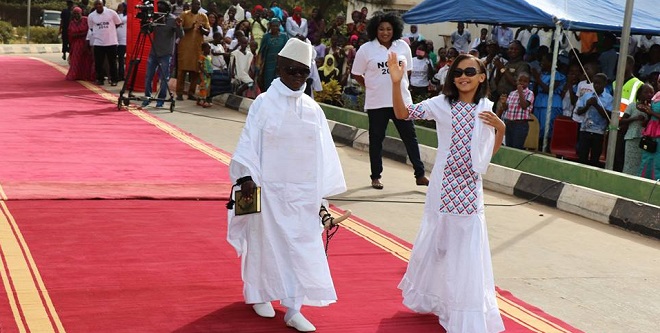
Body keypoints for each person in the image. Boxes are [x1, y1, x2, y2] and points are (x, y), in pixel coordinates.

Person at [227, 38, 346, 333]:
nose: (297, 75)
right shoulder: (264, 103)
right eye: (292, 69)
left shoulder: (313, 109)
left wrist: (321, 199)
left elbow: (323, 157)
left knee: (301, 250)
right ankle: (259, 294)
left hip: (303, 195)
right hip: (267, 191)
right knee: (264, 246)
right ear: (279, 67)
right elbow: (248, 143)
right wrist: (244, 179)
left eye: (303, 71)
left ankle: (294, 308)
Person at [388, 52, 505, 333]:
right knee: (441, 246)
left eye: (469, 71)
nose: (462, 76)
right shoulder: (442, 104)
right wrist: (396, 82)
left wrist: (500, 128)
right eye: (457, 72)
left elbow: (488, 155)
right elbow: (403, 113)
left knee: (467, 248)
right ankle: (440, 299)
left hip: (471, 189)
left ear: (481, 76)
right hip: (443, 187)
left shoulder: (486, 108)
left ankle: (461, 307)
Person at [351, 12, 428, 189]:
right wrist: (370, 85)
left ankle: (420, 174)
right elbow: (356, 73)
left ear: (395, 29)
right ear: (374, 30)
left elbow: (407, 71)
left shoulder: (403, 46)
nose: (385, 32)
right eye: (381, 29)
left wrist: (397, 84)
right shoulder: (366, 49)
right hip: (377, 102)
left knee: (410, 138)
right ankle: (376, 176)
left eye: (388, 29)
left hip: (401, 101)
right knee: (376, 139)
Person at [142, 1, 183, 108]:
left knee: (164, 78)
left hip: (166, 53)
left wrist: (179, 26)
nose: (159, 10)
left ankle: (160, 100)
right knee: (148, 76)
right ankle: (147, 97)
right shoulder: (156, 18)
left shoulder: (173, 19)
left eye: (162, 8)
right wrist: (147, 22)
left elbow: (181, 35)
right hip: (154, 52)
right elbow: (147, 31)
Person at [576, 73, 613, 166]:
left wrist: (596, 105)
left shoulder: (609, 98)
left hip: (599, 132)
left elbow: (608, 115)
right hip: (585, 130)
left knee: (595, 158)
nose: (596, 85)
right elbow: (579, 111)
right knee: (582, 156)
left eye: (599, 83)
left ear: (605, 84)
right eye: (594, 83)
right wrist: (587, 105)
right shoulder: (586, 96)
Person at [176, 0, 209, 101]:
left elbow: (207, 31)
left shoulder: (203, 16)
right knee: (182, 71)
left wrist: (201, 29)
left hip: (197, 48)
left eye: (198, 4)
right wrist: (191, 27)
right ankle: (180, 93)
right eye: (195, 4)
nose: (197, 6)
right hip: (185, 47)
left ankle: (191, 93)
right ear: (191, 5)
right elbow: (179, 29)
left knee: (195, 71)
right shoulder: (184, 15)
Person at [620, 84, 654, 175]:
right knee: (629, 163)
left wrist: (647, 119)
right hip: (632, 138)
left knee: (641, 164)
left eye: (651, 92)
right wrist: (634, 118)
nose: (649, 94)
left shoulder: (652, 109)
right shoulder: (632, 106)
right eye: (646, 92)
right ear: (639, 94)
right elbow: (622, 121)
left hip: (644, 140)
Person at [87, 0, 122, 86]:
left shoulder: (111, 13)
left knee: (112, 62)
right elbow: (91, 28)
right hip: (98, 42)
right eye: (96, 4)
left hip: (111, 42)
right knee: (99, 63)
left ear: (103, 4)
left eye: (99, 4)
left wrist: (110, 31)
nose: (98, 5)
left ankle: (114, 80)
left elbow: (118, 23)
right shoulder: (91, 16)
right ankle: (100, 79)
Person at [497, 72, 534, 149]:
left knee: (516, 147)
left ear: (528, 83)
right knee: (509, 147)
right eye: (520, 80)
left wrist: (520, 92)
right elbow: (506, 108)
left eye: (525, 81)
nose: (522, 83)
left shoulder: (530, 93)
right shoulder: (512, 93)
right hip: (509, 123)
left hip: (520, 125)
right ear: (517, 81)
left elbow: (524, 106)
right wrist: (503, 103)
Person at [65, 7, 95, 81]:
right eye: (74, 13)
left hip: (86, 42)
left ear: (81, 13)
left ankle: (85, 75)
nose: (76, 15)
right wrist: (80, 34)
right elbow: (70, 33)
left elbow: (90, 30)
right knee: (76, 60)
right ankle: (75, 75)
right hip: (76, 44)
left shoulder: (86, 20)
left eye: (77, 13)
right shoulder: (72, 23)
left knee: (86, 60)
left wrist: (79, 34)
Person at [258, 18, 288, 91]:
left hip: (280, 64)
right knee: (268, 83)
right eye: (273, 26)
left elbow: (287, 49)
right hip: (268, 64)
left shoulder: (283, 37)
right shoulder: (266, 37)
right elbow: (261, 51)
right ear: (270, 26)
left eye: (276, 26)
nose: (275, 28)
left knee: (279, 83)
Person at [639, 91, 660, 179]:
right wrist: (644, 109)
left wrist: (650, 112)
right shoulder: (656, 95)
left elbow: (652, 113)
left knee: (658, 160)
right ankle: (642, 183)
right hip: (651, 131)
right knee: (646, 158)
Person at [197, 42, 214, 108]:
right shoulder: (202, 57)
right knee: (204, 86)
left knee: (207, 86)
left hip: (209, 74)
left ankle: (199, 99)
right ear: (203, 49)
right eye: (207, 48)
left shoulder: (209, 57)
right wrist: (205, 72)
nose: (209, 50)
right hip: (204, 74)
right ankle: (204, 100)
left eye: (209, 48)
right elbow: (199, 66)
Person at [115, 2, 128, 81]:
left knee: (123, 58)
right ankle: (120, 74)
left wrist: (118, 13)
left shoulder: (126, 16)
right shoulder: (117, 15)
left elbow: (119, 21)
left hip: (124, 40)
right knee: (119, 59)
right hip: (116, 40)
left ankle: (123, 74)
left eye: (120, 7)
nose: (119, 8)